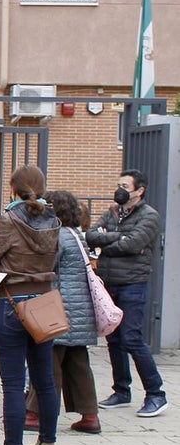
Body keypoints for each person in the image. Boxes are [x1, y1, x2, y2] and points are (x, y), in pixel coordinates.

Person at [0, 165, 62, 445]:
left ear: (14, 189)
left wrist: (3, 262)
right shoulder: (53, 221)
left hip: (13, 303)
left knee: (13, 384)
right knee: (45, 381)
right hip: (45, 302)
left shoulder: (10, 220)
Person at [87, 170, 167, 417]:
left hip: (133, 283)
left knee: (131, 338)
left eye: (125, 185)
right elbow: (91, 235)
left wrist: (106, 243)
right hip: (109, 283)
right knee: (114, 339)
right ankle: (121, 391)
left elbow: (132, 244)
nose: (119, 189)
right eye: (118, 184)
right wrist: (116, 238)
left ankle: (156, 394)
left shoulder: (149, 216)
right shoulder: (112, 212)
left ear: (139, 190)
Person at [25, 191, 101, 434]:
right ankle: (90, 416)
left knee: (48, 362)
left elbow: (42, 267)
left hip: (58, 307)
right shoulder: (76, 235)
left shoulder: (56, 237)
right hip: (80, 311)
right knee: (78, 364)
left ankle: (37, 414)